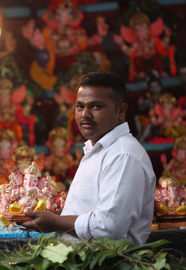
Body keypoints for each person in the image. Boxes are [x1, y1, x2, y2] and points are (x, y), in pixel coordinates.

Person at [22, 72, 156, 245]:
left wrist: (56, 222)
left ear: (121, 111)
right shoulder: (97, 150)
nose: (85, 114)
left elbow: (109, 228)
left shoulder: (123, 155)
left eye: (96, 106)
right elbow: (93, 213)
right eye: (79, 106)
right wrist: (58, 216)